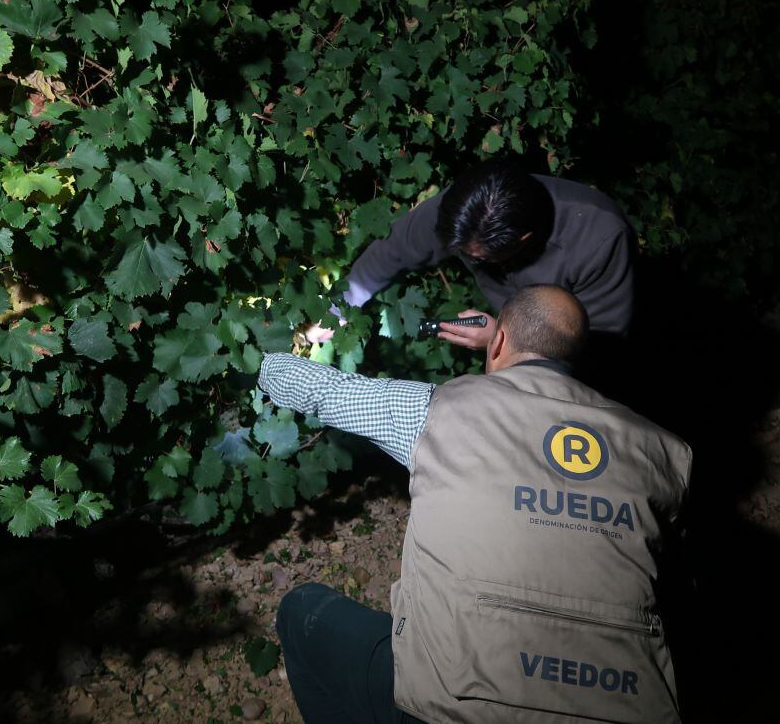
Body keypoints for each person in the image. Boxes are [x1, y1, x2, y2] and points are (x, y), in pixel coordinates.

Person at [261, 285, 691, 723]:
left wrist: (269, 356)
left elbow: (313, 387)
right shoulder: (663, 451)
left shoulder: (436, 410)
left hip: (454, 706)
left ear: (498, 341)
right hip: (628, 708)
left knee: (301, 613)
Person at [310, 160, 635, 350]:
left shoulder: (600, 239)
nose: (469, 260)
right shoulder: (467, 207)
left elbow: (598, 350)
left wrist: (503, 340)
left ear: (522, 241)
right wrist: (339, 308)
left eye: (479, 258)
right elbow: (392, 250)